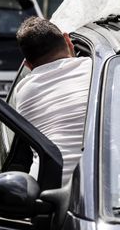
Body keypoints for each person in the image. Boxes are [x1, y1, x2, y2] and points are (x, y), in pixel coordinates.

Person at [14, 16, 91, 186]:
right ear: (68, 41)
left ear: (27, 65)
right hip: (102, 187)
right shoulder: (96, 69)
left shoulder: (23, 91)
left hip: (49, 193)